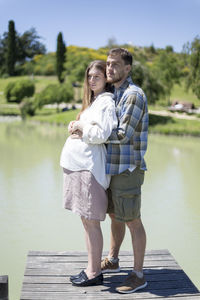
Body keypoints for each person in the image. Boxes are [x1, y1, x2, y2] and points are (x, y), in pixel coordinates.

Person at [60, 60, 117, 287]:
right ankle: (90, 267)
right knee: (85, 221)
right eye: (90, 76)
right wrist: (76, 124)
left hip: (90, 169)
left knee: (92, 222)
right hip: (79, 166)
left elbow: (102, 134)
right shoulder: (94, 102)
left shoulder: (106, 103)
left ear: (106, 80)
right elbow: (88, 129)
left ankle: (94, 273)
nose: (92, 80)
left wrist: (81, 128)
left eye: (97, 76)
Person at [100, 48, 149, 294]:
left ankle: (139, 275)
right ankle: (113, 259)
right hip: (112, 167)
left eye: (115, 64)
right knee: (115, 216)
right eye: (108, 64)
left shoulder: (133, 95)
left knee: (132, 220)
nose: (109, 68)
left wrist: (89, 133)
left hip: (127, 169)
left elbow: (122, 134)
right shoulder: (112, 93)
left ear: (127, 68)